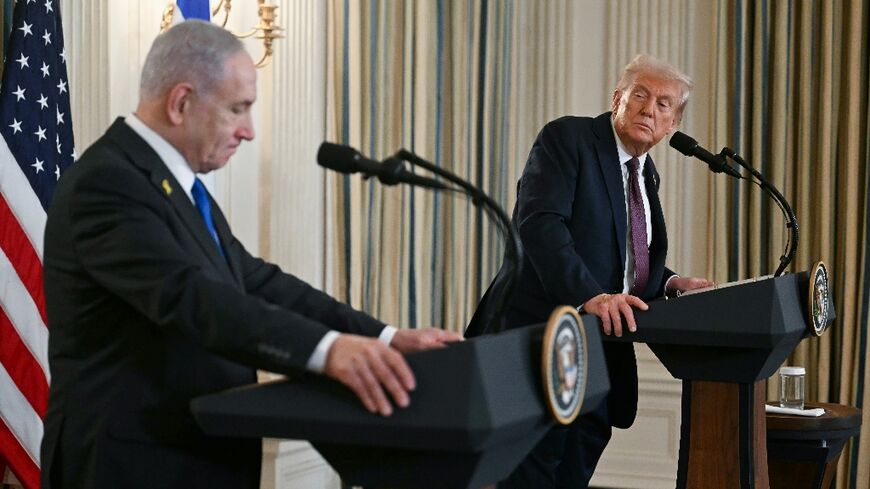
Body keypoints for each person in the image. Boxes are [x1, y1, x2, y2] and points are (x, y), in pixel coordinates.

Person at [40, 20, 461, 489]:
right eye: (238, 109)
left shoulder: (178, 186)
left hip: (196, 455)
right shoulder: (108, 183)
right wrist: (326, 352)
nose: (250, 131)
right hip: (130, 465)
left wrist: (384, 337)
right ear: (181, 103)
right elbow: (192, 297)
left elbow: (254, 281)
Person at [465, 54, 713, 488]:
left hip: (598, 352)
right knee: (528, 475)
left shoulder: (644, 174)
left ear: (673, 124)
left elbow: (621, 254)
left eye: (663, 104)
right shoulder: (568, 139)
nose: (649, 109)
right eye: (640, 95)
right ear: (618, 99)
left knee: (572, 472)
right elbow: (540, 224)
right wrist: (590, 296)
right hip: (537, 339)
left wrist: (669, 282)